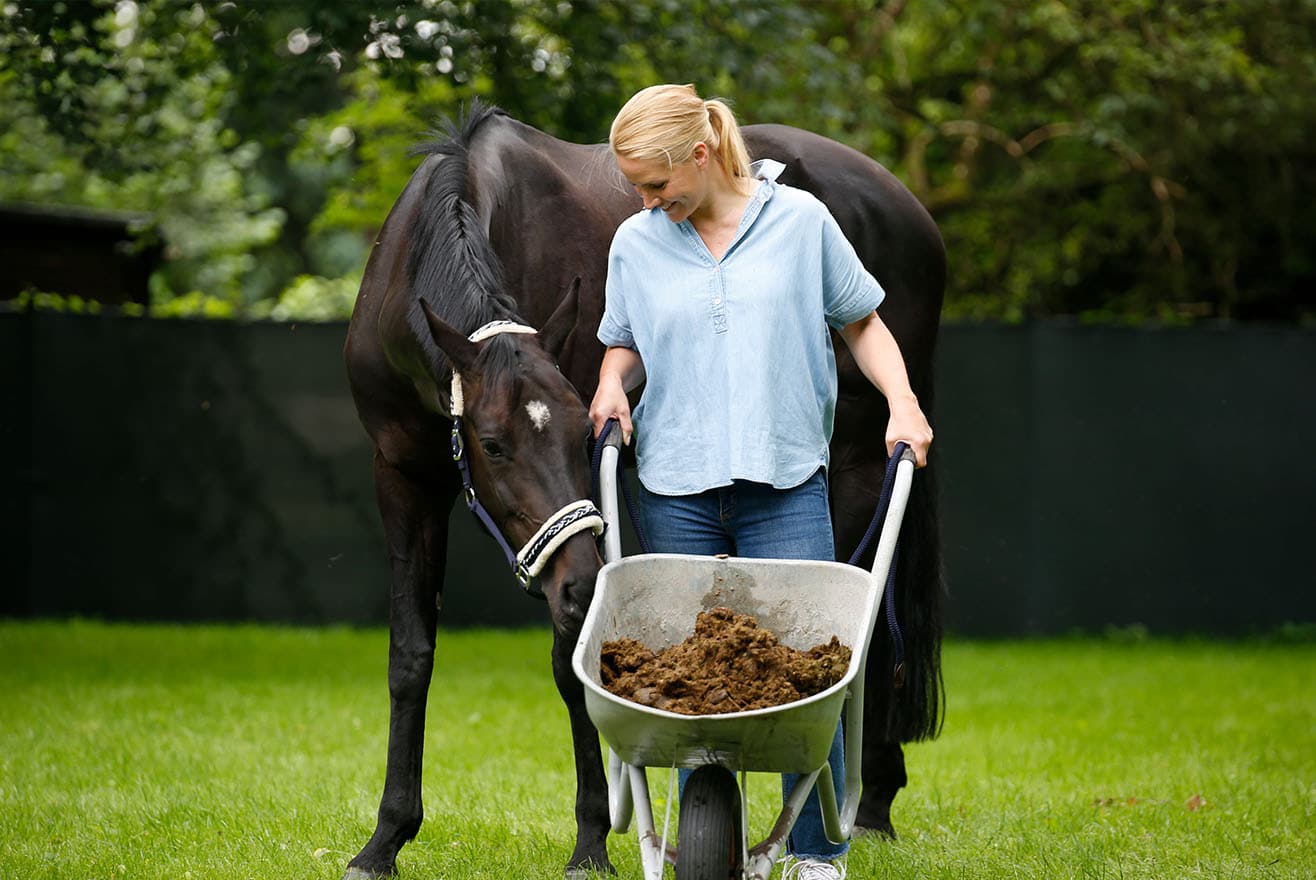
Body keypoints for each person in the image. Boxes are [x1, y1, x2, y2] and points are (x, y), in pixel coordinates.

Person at [588, 83, 933, 880]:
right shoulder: (635, 244)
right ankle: (693, 828)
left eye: (655, 183)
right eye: (636, 187)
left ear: (701, 154)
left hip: (785, 485)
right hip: (674, 487)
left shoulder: (802, 224)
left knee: (810, 671)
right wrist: (612, 381)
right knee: (673, 673)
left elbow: (862, 321)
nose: (646, 201)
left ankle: (817, 856)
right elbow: (625, 340)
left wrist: (904, 403)